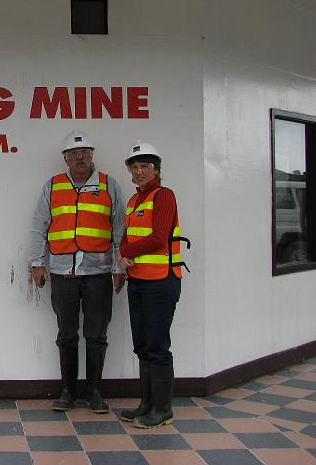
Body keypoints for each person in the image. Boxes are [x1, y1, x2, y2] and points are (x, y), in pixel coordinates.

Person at [30, 130, 126, 412]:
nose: (79, 157)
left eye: (84, 152)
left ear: (92, 155)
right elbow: (39, 226)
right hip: (62, 274)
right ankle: (68, 391)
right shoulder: (53, 186)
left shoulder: (109, 186)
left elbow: (120, 229)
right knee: (66, 334)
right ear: (65, 159)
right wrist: (37, 263)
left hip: (98, 273)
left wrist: (119, 267)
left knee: (97, 334)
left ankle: (94, 392)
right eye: (73, 154)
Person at [117, 140, 182, 428]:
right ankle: (146, 404)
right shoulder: (134, 201)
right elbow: (127, 235)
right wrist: (122, 252)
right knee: (142, 344)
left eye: (145, 166)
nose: (139, 171)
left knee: (157, 345)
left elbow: (158, 238)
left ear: (156, 169)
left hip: (161, 282)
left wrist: (125, 253)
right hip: (138, 281)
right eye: (135, 167)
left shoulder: (163, 196)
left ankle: (163, 410)